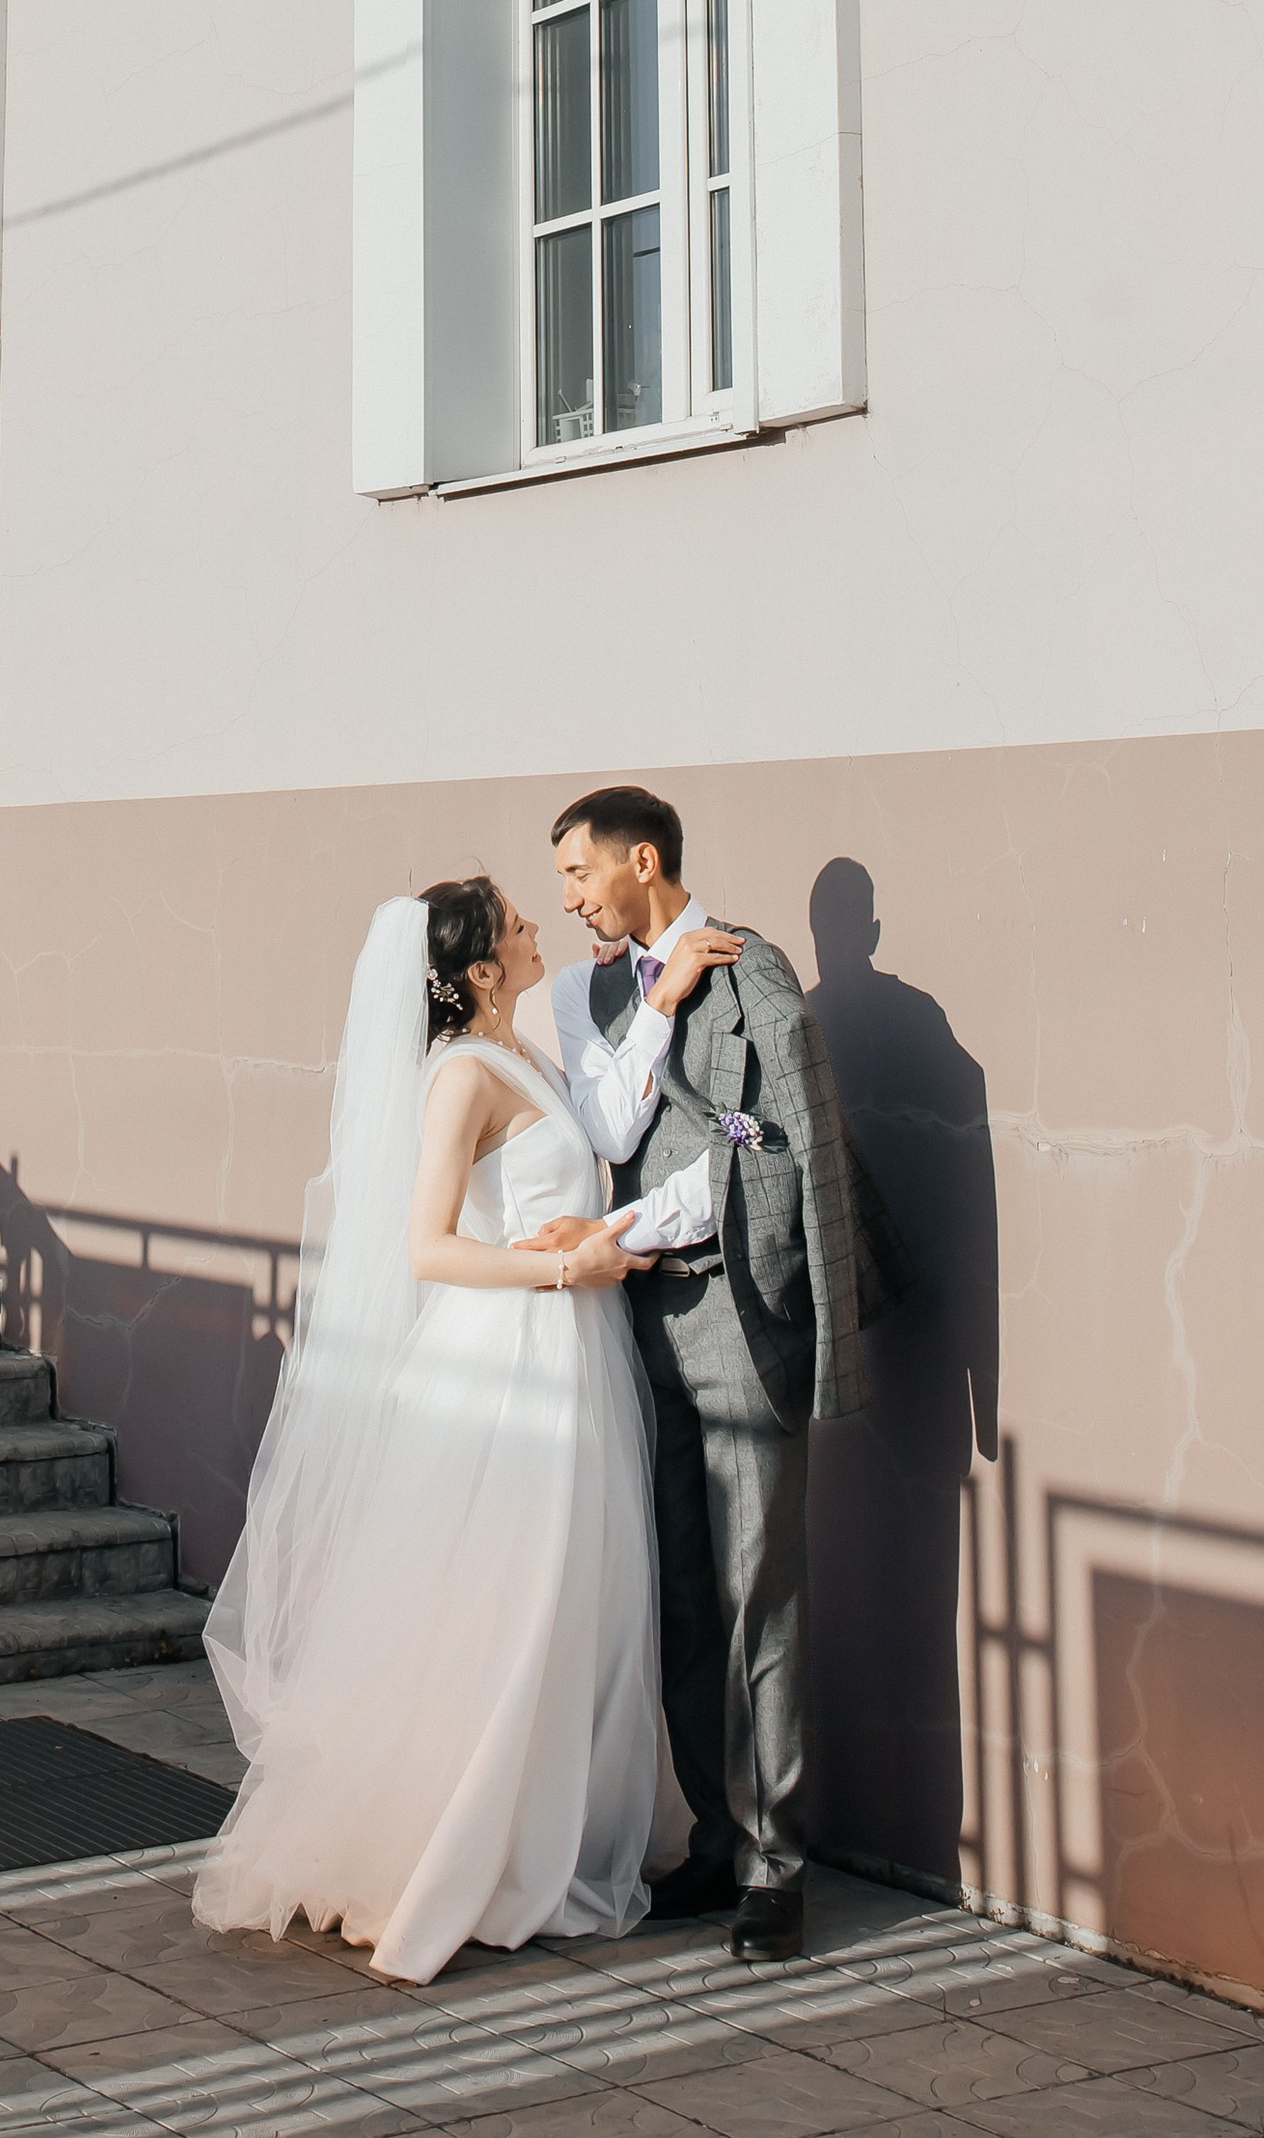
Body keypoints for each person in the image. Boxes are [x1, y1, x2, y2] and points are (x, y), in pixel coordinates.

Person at [193, 877, 686, 1980]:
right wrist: (563, 1265)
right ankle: (447, 1853)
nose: (533, 929)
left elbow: (542, 1182)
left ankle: (525, 1833)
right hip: (507, 1360)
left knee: (561, 1604)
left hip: (568, 1346)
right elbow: (427, 1246)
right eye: (515, 924)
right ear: (474, 971)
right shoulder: (461, 1074)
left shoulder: (524, 1055)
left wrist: (600, 1232)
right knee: (502, 1606)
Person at [518, 785, 904, 1967]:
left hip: (739, 1320)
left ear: (643, 861)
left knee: (760, 1599)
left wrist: (630, 1227)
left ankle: (776, 1872)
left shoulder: (758, 975)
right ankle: (715, 1842)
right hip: (639, 1328)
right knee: (680, 1593)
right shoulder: (589, 996)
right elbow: (611, 1133)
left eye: (581, 875)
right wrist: (655, 1008)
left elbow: (779, 1146)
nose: (571, 900)